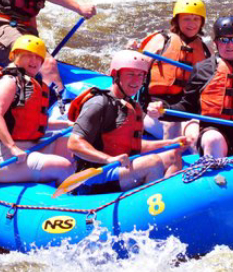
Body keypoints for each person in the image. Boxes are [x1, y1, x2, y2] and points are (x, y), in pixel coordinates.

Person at [147, 16, 233, 158]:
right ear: (216, 43)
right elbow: (187, 107)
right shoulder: (203, 70)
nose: (230, 45)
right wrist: (163, 110)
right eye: (224, 40)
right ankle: (216, 174)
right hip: (214, 130)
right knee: (212, 140)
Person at [67, 50, 193, 194]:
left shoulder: (131, 104)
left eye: (140, 75)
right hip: (94, 175)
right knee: (152, 163)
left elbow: (132, 144)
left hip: (119, 168)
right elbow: (74, 142)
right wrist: (107, 159)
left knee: (172, 155)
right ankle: (149, 206)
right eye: (131, 75)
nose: (136, 81)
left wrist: (169, 143)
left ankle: (166, 202)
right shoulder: (99, 103)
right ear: (115, 75)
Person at [0, 35, 73, 184]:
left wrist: (66, 125)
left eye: (37, 57)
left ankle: (76, 187)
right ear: (14, 55)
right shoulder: (8, 81)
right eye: (27, 55)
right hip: (0, 156)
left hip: (29, 146)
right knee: (63, 166)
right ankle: (67, 203)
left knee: (69, 147)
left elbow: (30, 121)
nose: (33, 61)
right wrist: (12, 147)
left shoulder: (31, 82)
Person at [132, 0, 211, 140]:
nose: (191, 24)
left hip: (187, 107)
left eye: (196, 19)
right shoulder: (162, 40)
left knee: (194, 134)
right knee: (172, 125)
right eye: (186, 19)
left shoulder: (206, 48)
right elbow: (136, 69)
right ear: (177, 21)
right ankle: (171, 157)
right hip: (156, 104)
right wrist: (131, 53)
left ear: (201, 22)